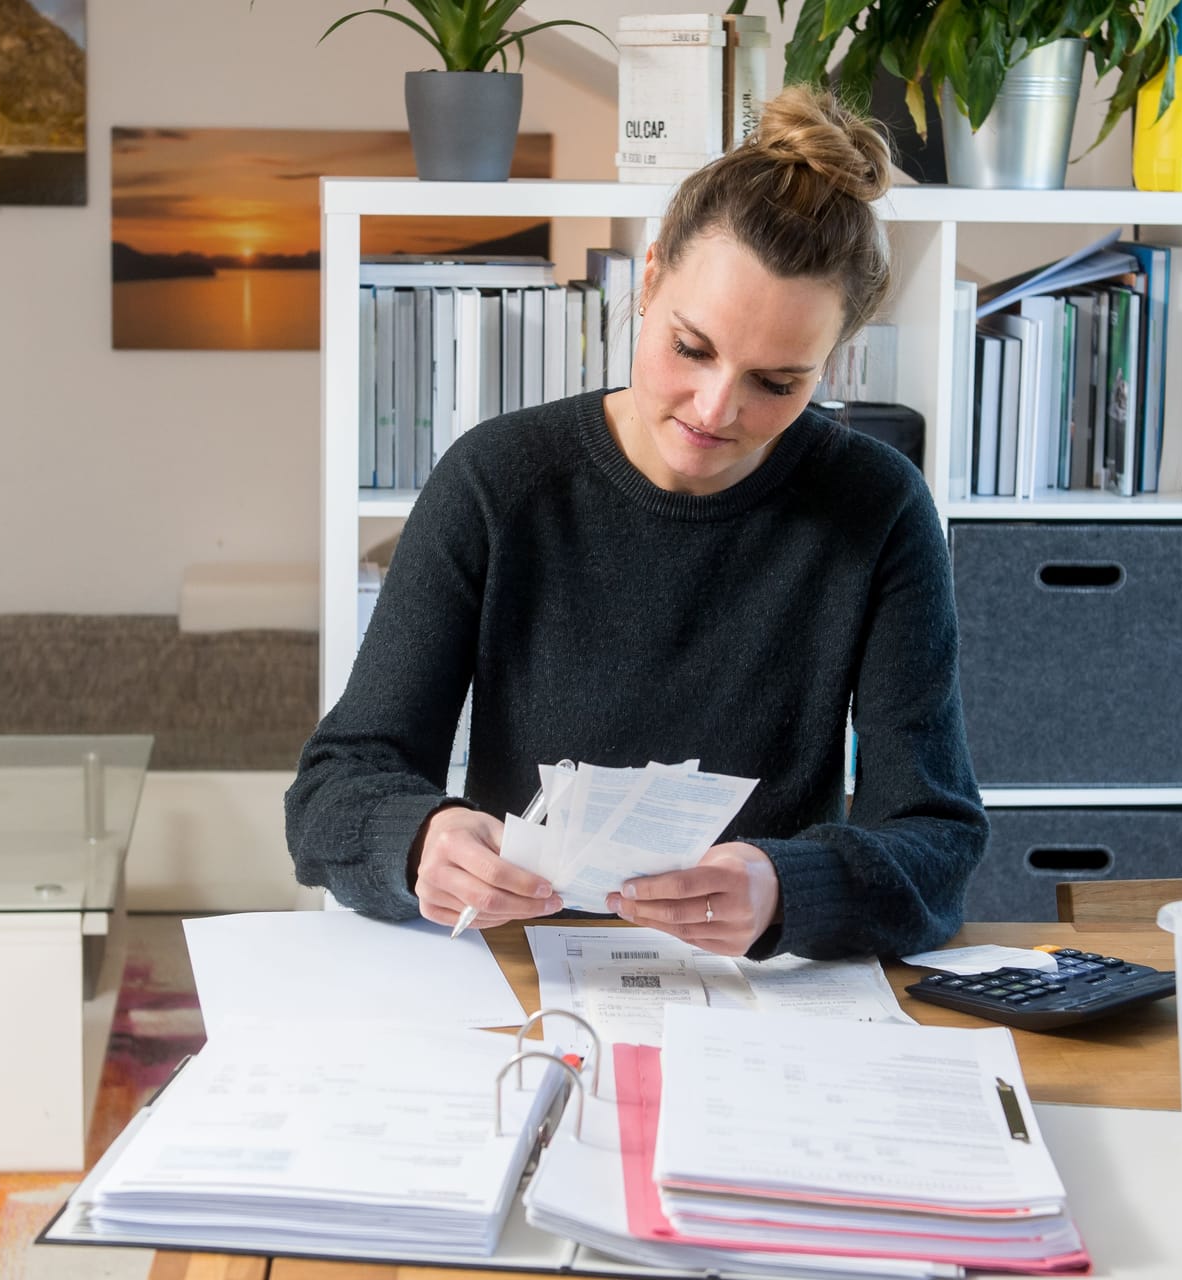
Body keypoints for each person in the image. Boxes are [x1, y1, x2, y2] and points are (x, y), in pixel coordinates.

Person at [286, 85, 988, 960]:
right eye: (691, 349)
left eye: (777, 383)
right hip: (523, 971)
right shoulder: (498, 481)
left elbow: (938, 844)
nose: (715, 408)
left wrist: (784, 888)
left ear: (834, 360)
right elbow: (331, 795)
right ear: (649, 278)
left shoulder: (876, 508)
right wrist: (422, 841)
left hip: (762, 994)